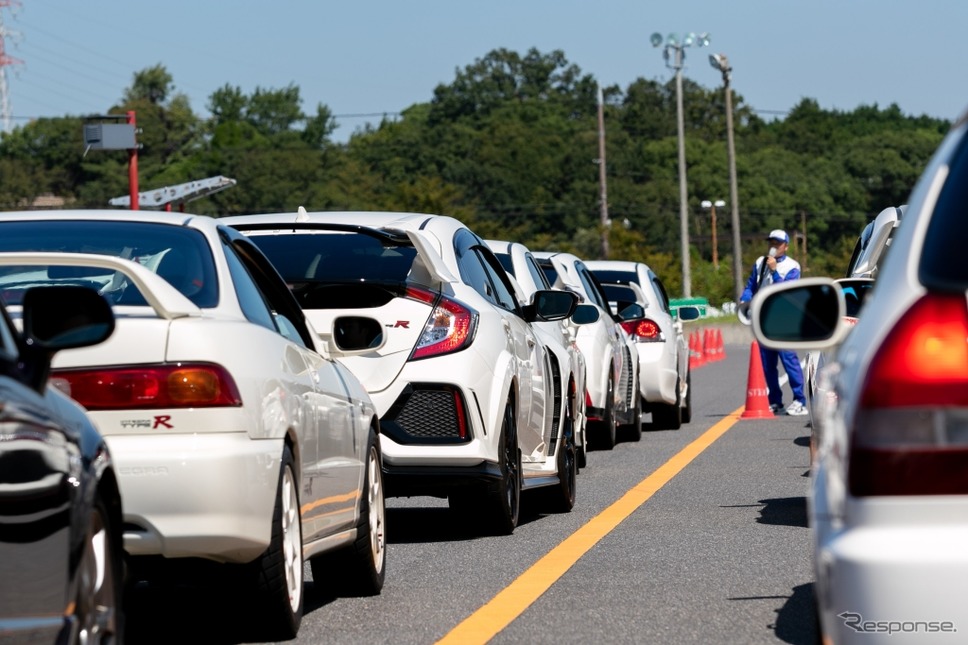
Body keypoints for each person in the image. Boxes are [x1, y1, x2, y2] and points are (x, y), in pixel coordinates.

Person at [740, 229, 808, 416]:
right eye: (771, 243)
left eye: (778, 244)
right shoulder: (759, 263)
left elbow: (786, 291)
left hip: (783, 319)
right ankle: (775, 401)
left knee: (789, 360)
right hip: (763, 319)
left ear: (786, 246)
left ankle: (799, 400)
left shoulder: (792, 266)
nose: (774, 247)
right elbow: (751, 286)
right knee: (767, 363)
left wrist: (775, 271)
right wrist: (745, 300)